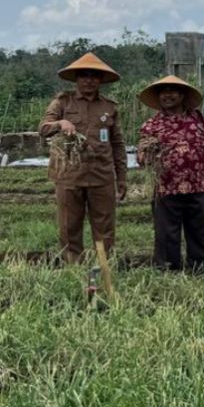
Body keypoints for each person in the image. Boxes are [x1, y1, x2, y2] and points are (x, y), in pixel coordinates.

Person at [38, 52, 127, 263]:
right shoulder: (62, 103)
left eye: (94, 76)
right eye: (84, 75)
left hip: (101, 175)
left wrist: (122, 177)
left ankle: (104, 268)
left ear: (101, 80)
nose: (89, 80)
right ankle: (73, 268)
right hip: (69, 175)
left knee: (104, 225)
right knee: (69, 225)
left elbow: (118, 144)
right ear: (77, 79)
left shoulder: (109, 107)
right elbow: (43, 128)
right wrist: (60, 124)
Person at [136, 75, 204, 272]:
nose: (167, 96)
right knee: (166, 235)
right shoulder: (151, 125)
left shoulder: (199, 120)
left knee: (200, 232)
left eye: (172, 91)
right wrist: (147, 152)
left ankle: (201, 270)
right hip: (166, 187)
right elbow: (142, 158)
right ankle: (167, 272)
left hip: (197, 185)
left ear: (182, 95)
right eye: (163, 92)